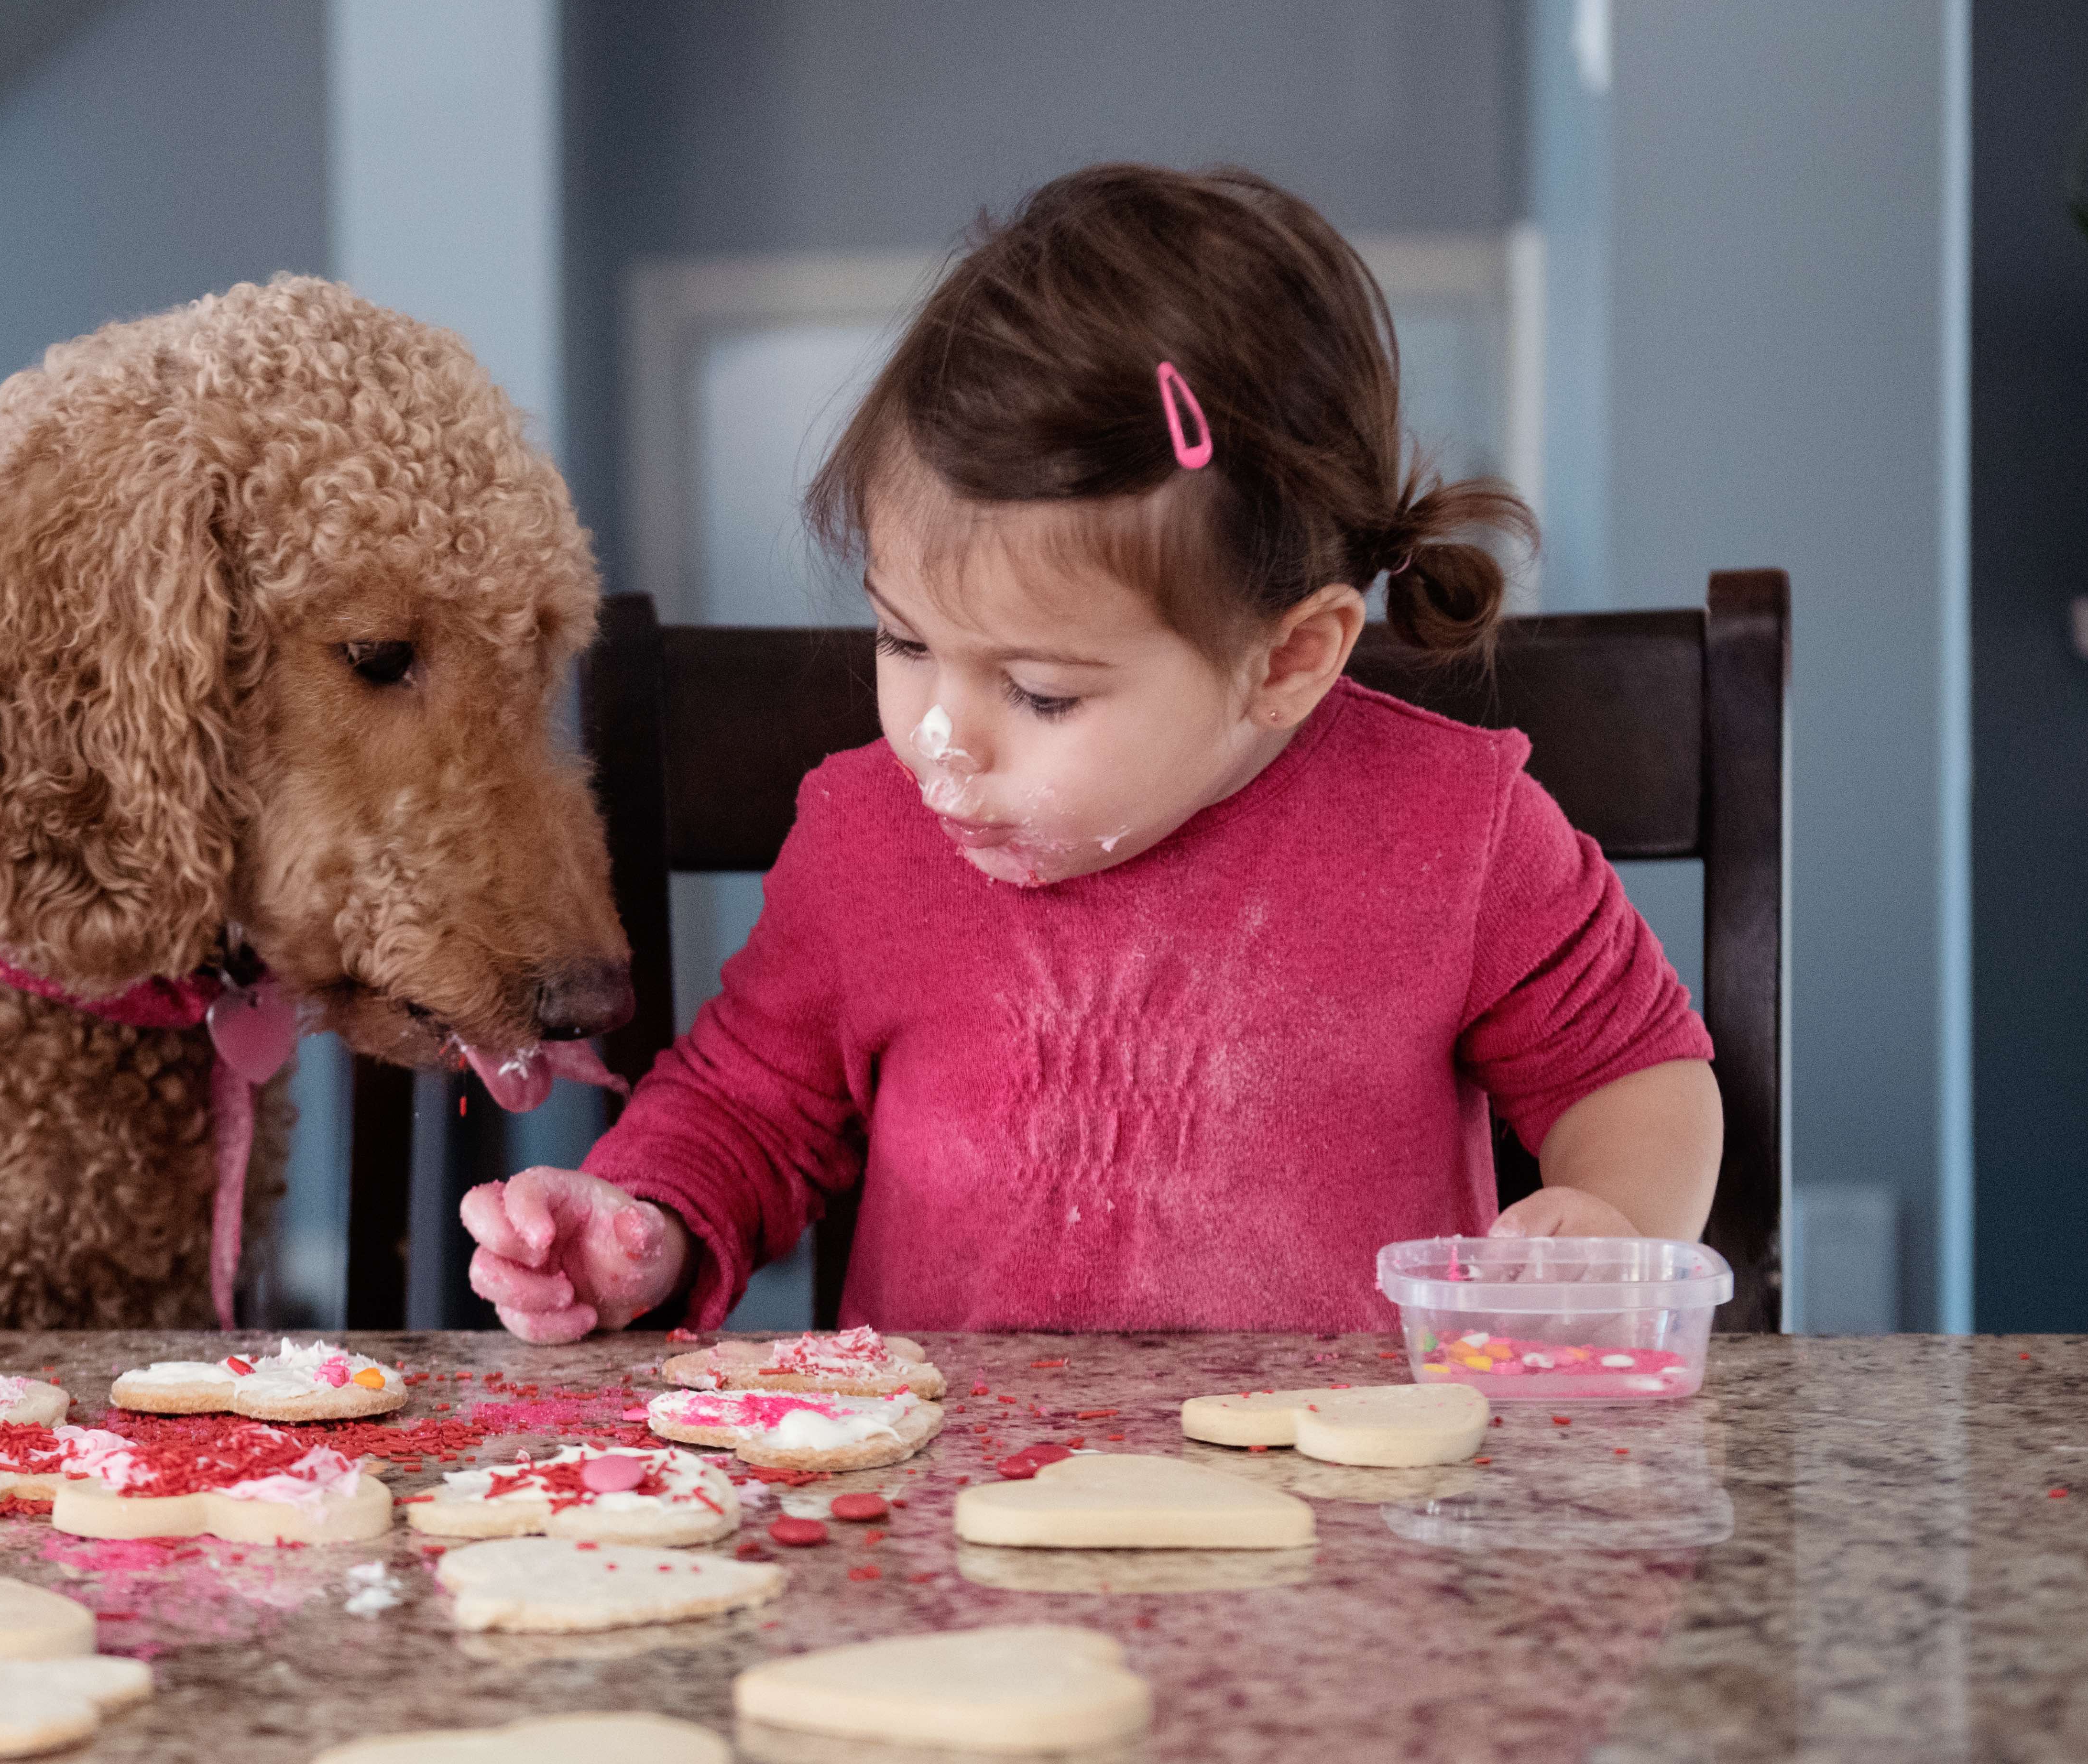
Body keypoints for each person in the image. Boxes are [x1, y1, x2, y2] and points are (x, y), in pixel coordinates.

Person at [466, 164, 1722, 1342]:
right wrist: (645, 1223)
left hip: (1346, 1517)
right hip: (943, 1515)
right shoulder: (867, 836)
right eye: (903, 644)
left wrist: (1605, 1226)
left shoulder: (1455, 832)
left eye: (1039, 692)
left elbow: (1633, 1072)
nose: (944, 741)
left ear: (1287, 660)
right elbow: (746, 1108)